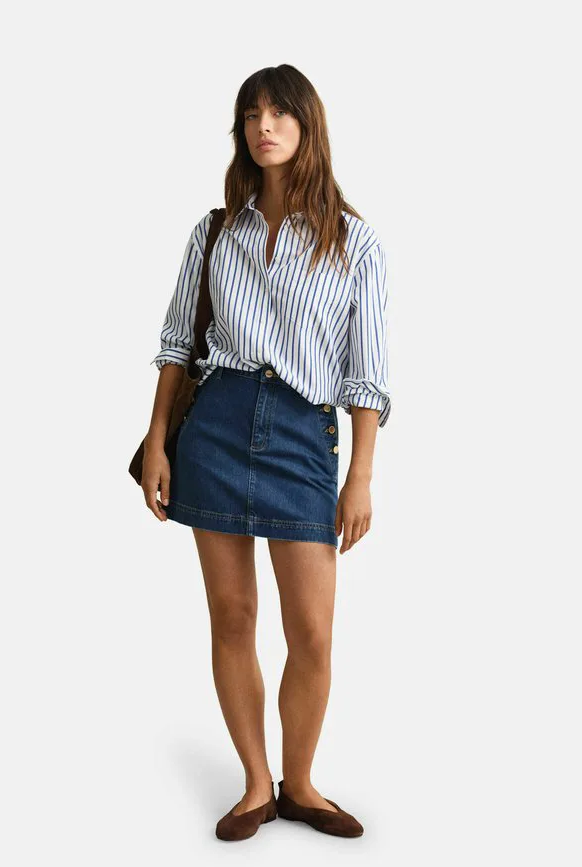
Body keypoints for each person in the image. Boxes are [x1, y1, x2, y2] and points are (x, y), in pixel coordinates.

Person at [140, 64, 391, 841]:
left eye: (279, 112)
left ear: (308, 125)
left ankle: (301, 782)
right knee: (233, 615)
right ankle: (256, 783)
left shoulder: (355, 242)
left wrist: (360, 474)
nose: (263, 125)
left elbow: (368, 374)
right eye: (251, 113)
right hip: (214, 426)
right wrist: (158, 439)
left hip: (303, 436)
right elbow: (177, 343)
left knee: (312, 632)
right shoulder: (214, 231)